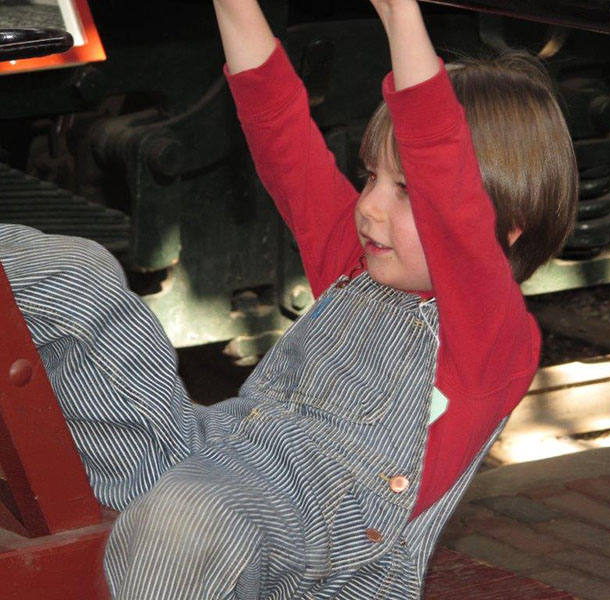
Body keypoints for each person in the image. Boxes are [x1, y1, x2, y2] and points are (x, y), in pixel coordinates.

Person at [0, 0, 577, 597]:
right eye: (369, 176)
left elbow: (442, 161)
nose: (369, 207)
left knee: (189, 515)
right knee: (72, 273)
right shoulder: (357, 265)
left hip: (321, 543)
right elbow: (279, 129)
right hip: (210, 457)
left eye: (406, 191)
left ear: (501, 229)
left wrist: (401, 14)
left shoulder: (489, 334)